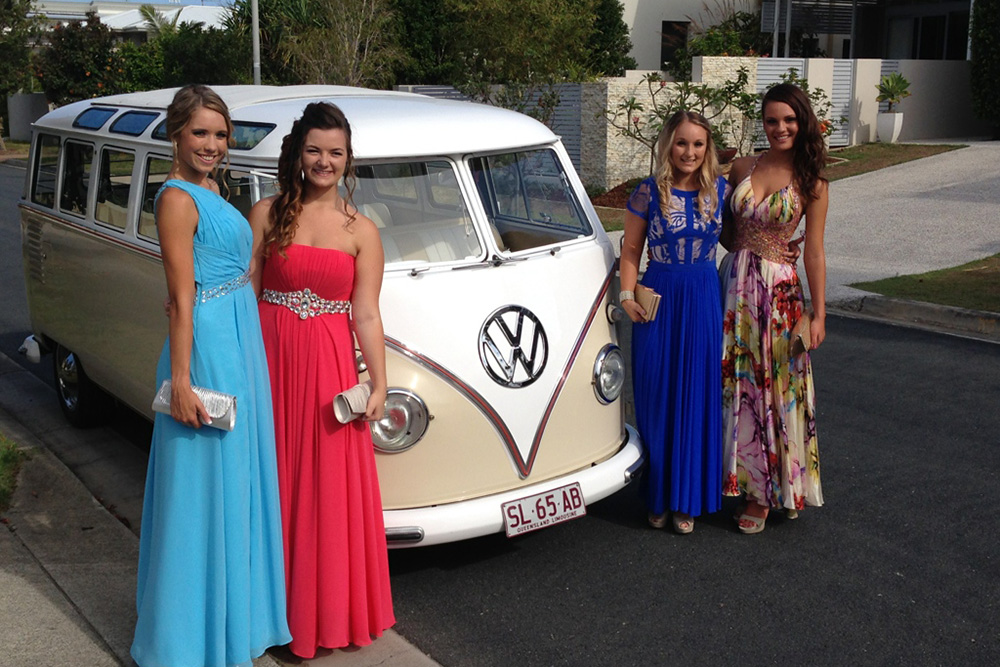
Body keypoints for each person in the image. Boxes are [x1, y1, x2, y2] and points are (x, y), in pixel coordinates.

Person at [132, 85, 291, 666]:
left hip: (239, 338)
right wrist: (181, 381)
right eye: (200, 133)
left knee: (236, 486)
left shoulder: (214, 189)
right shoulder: (176, 198)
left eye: (221, 135)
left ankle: (229, 624)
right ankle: (184, 642)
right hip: (205, 348)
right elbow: (178, 297)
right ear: (176, 134)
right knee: (200, 494)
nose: (213, 145)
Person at [249, 102, 395, 658]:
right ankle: (267, 615)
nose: (324, 161)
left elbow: (367, 315)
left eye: (335, 152)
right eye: (315, 149)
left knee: (324, 494)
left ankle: (318, 619)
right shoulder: (265, 214)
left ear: (348, 158)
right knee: (272, 485)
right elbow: (244, 294)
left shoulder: (363, 231)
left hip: (329, 373)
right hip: (270, 361)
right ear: (298, 152)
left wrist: (377, 385)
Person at [719, 82, 829, 534]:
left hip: (781, 295)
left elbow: (815, 252)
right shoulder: (742, 167)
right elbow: (724, 231)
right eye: (771, 120)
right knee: (740, 384)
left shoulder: (813, 182)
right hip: (735, 286)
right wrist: (753, 243)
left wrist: (818, 313)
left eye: (789, 119)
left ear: (801, 122)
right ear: (762, 123)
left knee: (778, 387)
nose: (780, 127)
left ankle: (770, 490)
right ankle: (746, 481)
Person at [620, 111, 728, 535]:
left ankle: (688, 499)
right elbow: (630, 250)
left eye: (698, 144)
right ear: (669, 145)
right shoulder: (648, 193)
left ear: (708, 148)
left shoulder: (721, 189)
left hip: (702, 296)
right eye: (682, 143)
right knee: (658, 395)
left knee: (697, 396)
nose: (690, 152)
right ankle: (660, 494)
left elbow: (740, 238)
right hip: (659, 299)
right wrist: (627, 296)